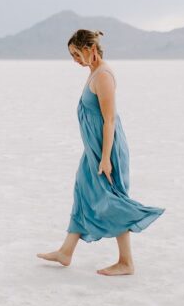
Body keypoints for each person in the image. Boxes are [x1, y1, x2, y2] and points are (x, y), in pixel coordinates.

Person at [37, 28, 165, 276]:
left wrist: (106, 158)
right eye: (71, 55)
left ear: (90, 50)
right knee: (83, 190)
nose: (74, 60)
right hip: (93, 150)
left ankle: (126, 262)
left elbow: (109, 121)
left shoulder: (103, 75)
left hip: (107, 150)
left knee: (111, 199)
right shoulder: (93, 72)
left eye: (76, 54)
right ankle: (66, 251)